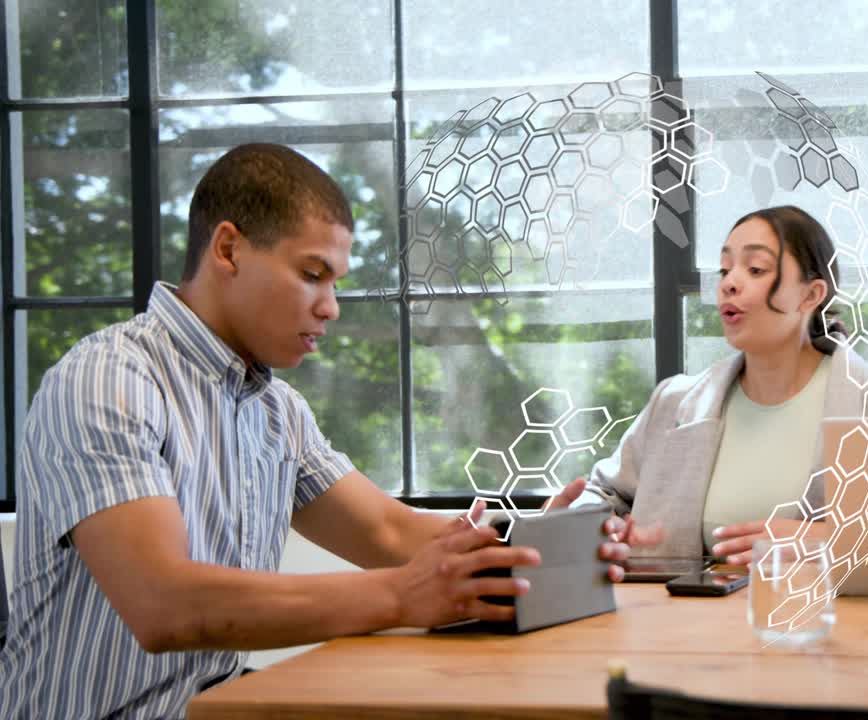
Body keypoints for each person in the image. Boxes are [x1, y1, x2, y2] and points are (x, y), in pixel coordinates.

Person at [0, 143, 633, 719]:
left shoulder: (276, 411)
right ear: (229, 250)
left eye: (336, 283)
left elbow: (387, 531)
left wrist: (531, 546)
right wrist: (401, 596)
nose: (330, 307)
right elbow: (165, 603)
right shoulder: (108, 380)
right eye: (312, 274)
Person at [580, 205, 868, 565]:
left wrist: (828, 539)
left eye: (755, 269)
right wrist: (604, 533)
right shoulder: (674, 402)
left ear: (811, 295)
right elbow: (599, 496)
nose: (728, 283)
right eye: (725, 269)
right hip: (681, 620)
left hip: (821, 620)